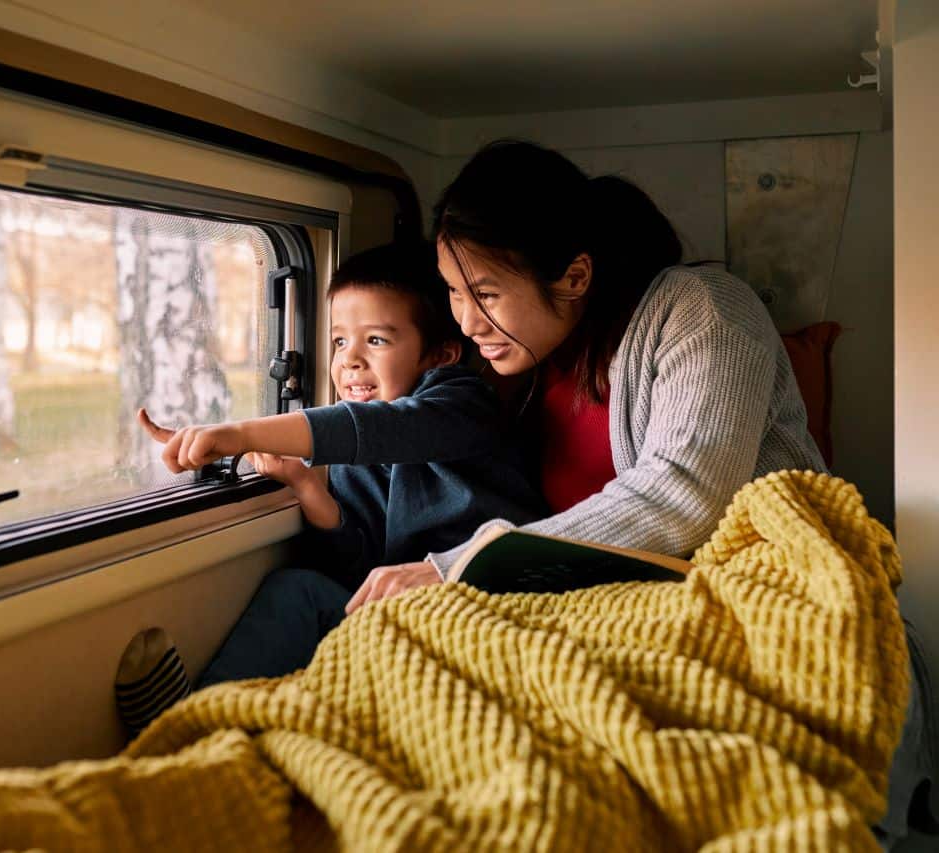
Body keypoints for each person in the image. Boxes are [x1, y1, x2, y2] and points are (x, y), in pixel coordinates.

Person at [342, 139, 826, 612]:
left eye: (486, 295)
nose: (467, 323)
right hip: (610, 602)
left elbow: (685, 494)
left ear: (575, 278)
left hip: (758, 588)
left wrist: (458, 567)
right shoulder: (525, 367)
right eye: (454, 291)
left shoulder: (705, 309)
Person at [133, 240, 547, 697]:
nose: (350, 359)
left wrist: (243, 433)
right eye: (339, 341)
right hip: (402, 617)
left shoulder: (462, 405)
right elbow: (364, 564)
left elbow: (389, 428)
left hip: (485, 605)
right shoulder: (358, 450)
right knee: (298, 591)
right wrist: (308, 487)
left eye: (376, 340)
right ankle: (197, 712)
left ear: (440, 355)